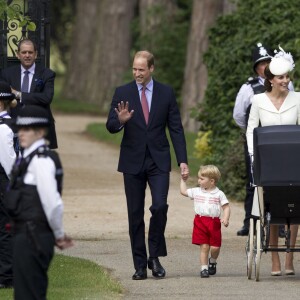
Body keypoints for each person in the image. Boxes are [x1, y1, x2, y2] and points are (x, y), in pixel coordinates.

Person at [106, 50, 189, 280]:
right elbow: (110, 125)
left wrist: (182, 160)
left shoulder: (166, 92)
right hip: (132, 161)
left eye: (141, 69)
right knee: (135, 214)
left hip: (158, 159)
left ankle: (155, 255)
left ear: (151, 69)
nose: (137, 73)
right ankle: (140, 265)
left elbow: (176, 128)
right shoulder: (123, 92)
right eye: (134, 68)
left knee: (160, 206)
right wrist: (120, 122)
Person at [3, 105, 73, 299]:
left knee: (30, 293)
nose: (21, 133)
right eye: (20, 128)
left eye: (27, 129)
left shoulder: (41, 161)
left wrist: (58, 233)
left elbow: (52, 203)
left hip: (33, 235)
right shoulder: (27, 158)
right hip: (24, 234)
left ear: (41, 131)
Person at [246, 46, 300, 276]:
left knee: (296, 208)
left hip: (294, 161)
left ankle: (290, 258)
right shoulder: (258, 100)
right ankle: (275, 260)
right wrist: (253, 156)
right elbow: (251, 131)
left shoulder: (298, 98)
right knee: (273, 208)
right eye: (281, 77)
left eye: (287, 76)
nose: (285, 81)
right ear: (270, 79)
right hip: (267, 163)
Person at [233, 43, 293, 236]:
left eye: (268, 62)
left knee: (283, 181)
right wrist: (253, 133)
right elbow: (239, 115)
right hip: (258, 140)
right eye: (261, 63)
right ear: (256, 67)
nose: (265, 66)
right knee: (254, 181)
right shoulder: (249, 88)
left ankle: (281, 222)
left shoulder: (286, 83)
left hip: (283, 139)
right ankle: (250, 221)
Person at [0, 38, 58, 149]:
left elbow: (46, 98)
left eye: (30, 52)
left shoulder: (47, 74)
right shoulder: (7, 74)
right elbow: (4, 99)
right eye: (24, 52)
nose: (27, 55)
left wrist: (18, 94)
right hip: (14, 125)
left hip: (39, 126)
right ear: (18, 55)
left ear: (36, 54)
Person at [180, 165, 230, 278]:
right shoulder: (197, 191)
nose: (199, 180)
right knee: (204, 246)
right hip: (200, 221)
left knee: (215, 247)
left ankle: (212, 261)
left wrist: (226, 218)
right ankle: (204, 268)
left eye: (202, 179)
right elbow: (183, 191)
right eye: (199, 178)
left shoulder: (219, 194)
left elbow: (226, 207)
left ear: (211, 181)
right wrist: (183, 180)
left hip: (214, 223)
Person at [0, 81, 17, 288]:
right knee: (6, 228)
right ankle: (6, 276)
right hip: (4, 181)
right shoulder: (5, 129)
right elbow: (9, 161)